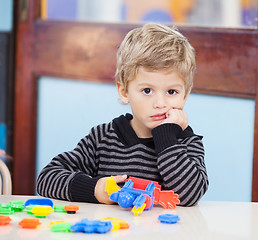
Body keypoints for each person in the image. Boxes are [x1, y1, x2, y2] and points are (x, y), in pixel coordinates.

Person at [36, 23, 208, 207]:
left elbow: (190, 196)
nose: (160, 103)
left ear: (185, 95)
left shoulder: (186, 141)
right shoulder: (102, 138)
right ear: (124, 91)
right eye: (147, 90)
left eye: (172, 92)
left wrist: (167, 138)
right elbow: (47, 178)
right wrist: (94, 189)